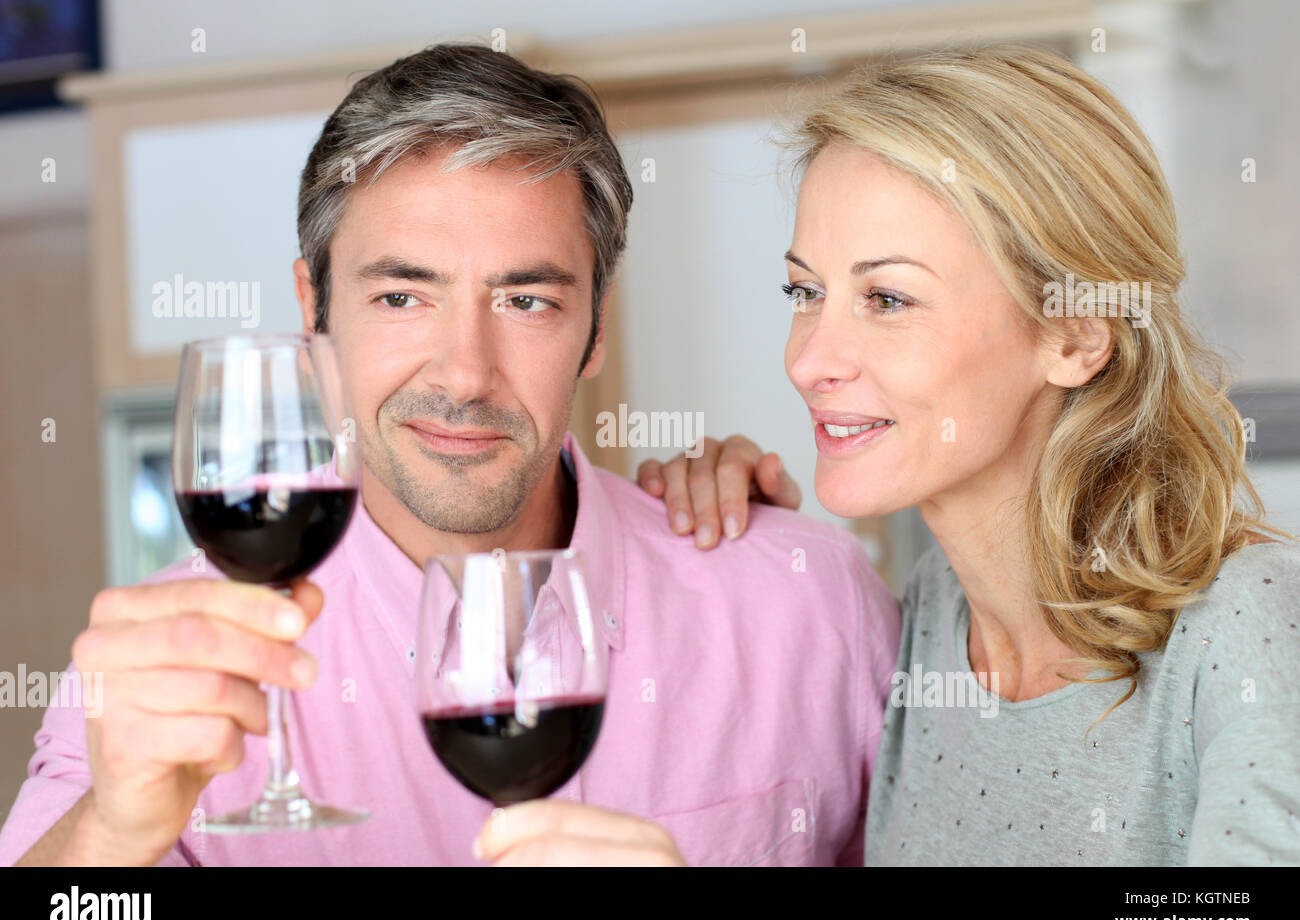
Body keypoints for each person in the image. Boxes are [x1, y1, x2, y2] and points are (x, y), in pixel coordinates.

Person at [0, 43, 900, 867]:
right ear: (314, 310)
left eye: (526, 301)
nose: (465, 375)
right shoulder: (166, 670)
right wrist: (109, 836)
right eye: (402, 297)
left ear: (594, 329)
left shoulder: (811, 606)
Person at [580, 44, 1300, 865]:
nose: (809, 360)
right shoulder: (935, 614)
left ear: (1074, 335)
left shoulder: (1245, 619)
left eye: (888, 299)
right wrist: (746, 559)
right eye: (806, 292)